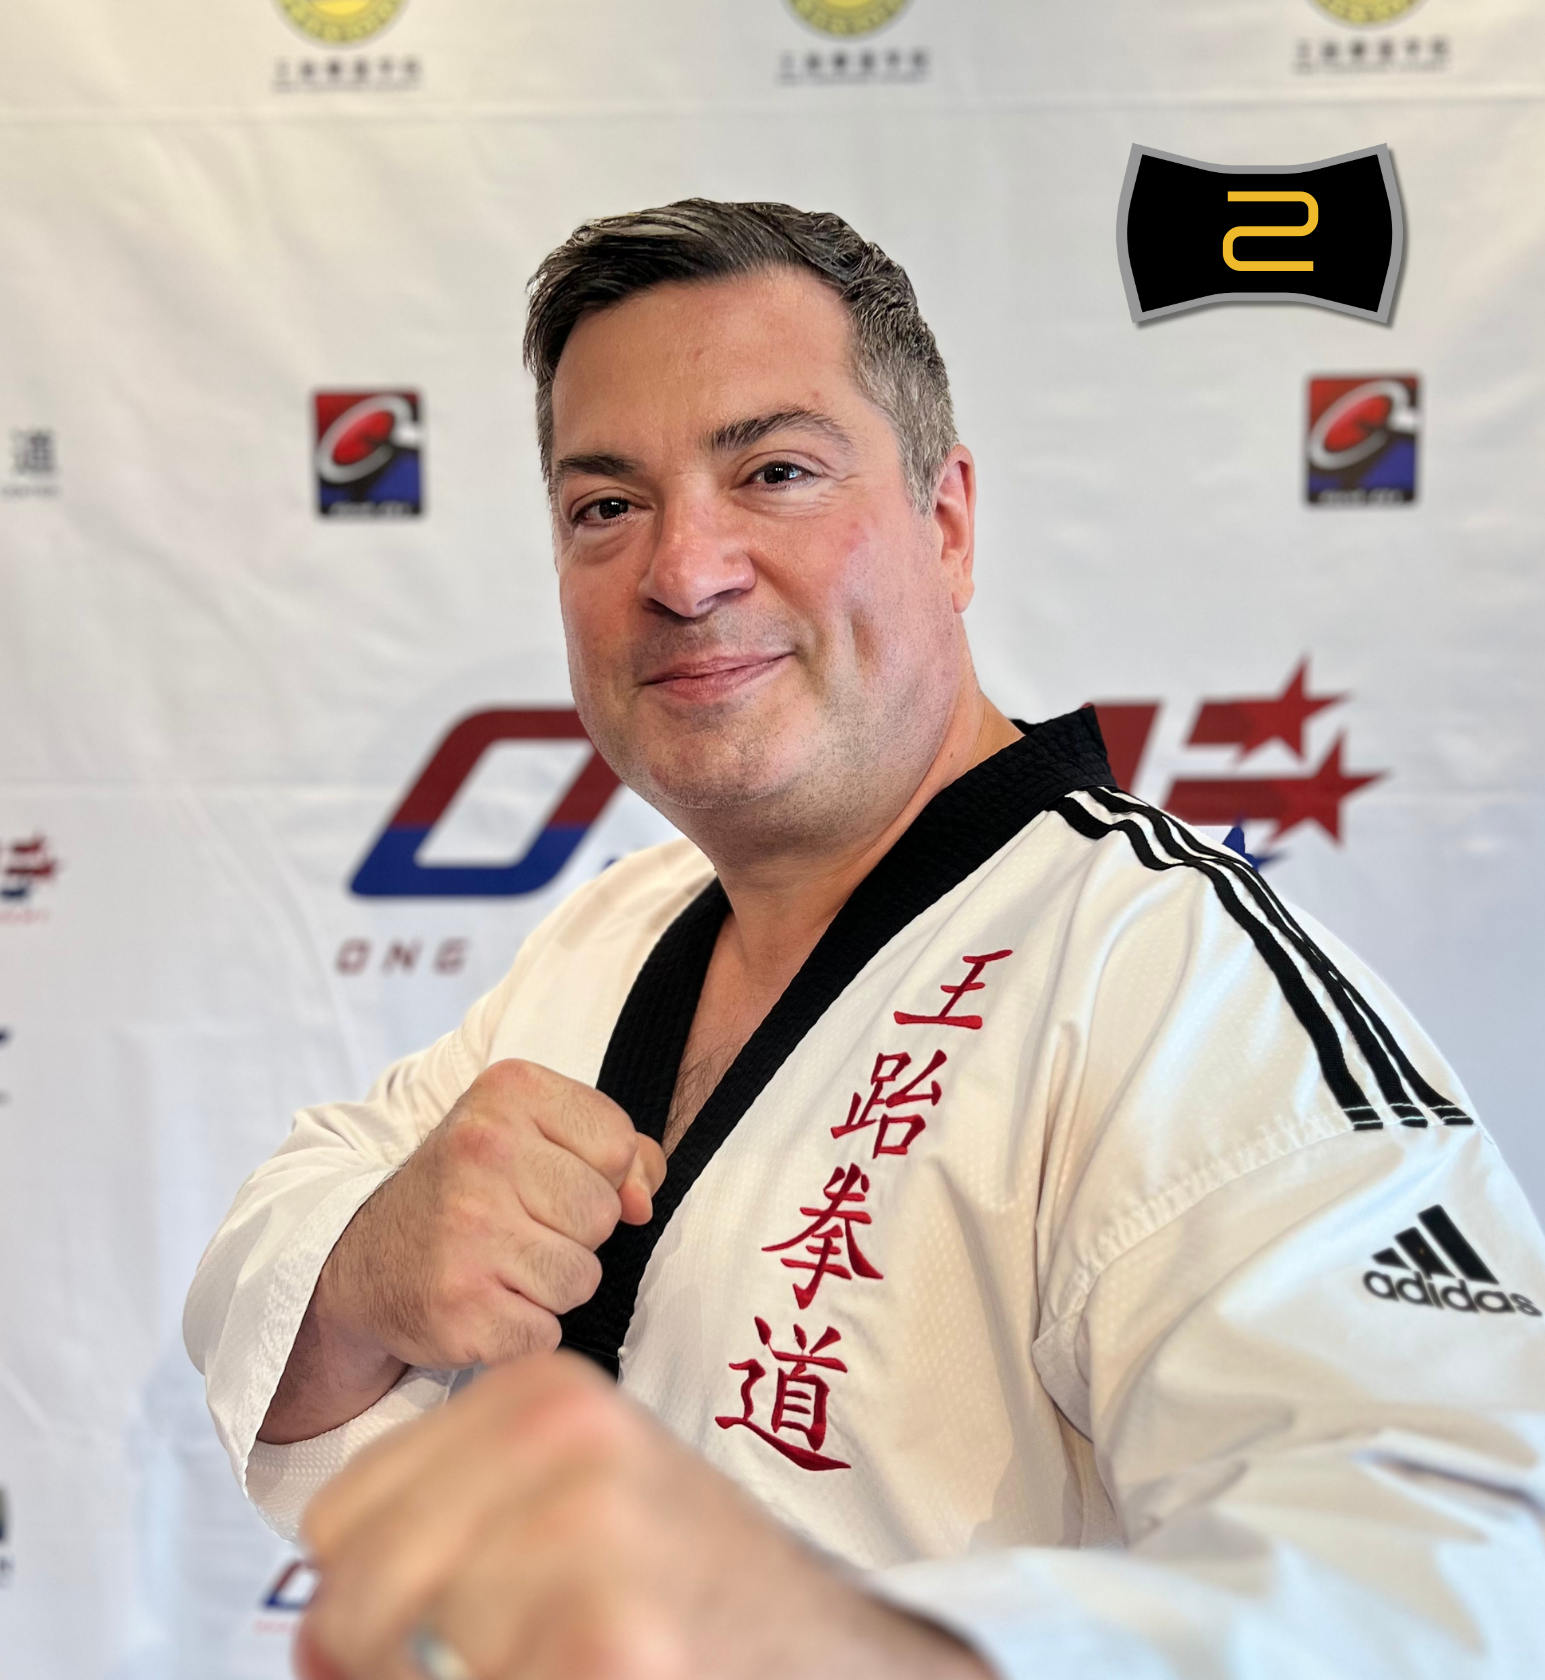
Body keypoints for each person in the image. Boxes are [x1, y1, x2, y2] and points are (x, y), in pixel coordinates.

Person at [185, 201, 1545, 1680]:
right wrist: (374, 1264)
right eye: (604, 505)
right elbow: (284, 1232)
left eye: (773, 472)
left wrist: (851, 1642)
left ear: (946, 524)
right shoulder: (613, 933)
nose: (684, 571)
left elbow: (1465, 1555)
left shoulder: (1160, 972)